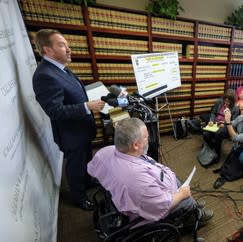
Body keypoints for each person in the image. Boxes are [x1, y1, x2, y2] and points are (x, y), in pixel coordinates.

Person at [87, 118, 213, 226]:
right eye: (146, 137)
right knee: (186, 197)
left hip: (153, 187)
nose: (149, 139)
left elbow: (91, 170)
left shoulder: (104, 151)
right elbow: (163, 205)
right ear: (135, 145)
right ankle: (194, 213)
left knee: (179, 183)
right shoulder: (139, 181)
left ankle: (193, 205)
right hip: (155, 203)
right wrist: (181, 195)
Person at [32, 29, 105, 210]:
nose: (68, 49)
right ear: (48, 50)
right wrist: (87, 106)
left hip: (82, 128)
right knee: (75, 164)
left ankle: (87, 181)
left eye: (67, 45)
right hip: (71, 134)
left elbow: (75, 91)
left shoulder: (60, 68)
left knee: (86, 158)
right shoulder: (44, 75)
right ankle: (79, 198)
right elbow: (55, 111)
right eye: (62, 45)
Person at [211, 105, 243, 188]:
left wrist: (228, 122)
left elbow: (235, 138)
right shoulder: (242, 117)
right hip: (240, 142)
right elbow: (233, 124)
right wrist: (223, 123)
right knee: (233, 155)